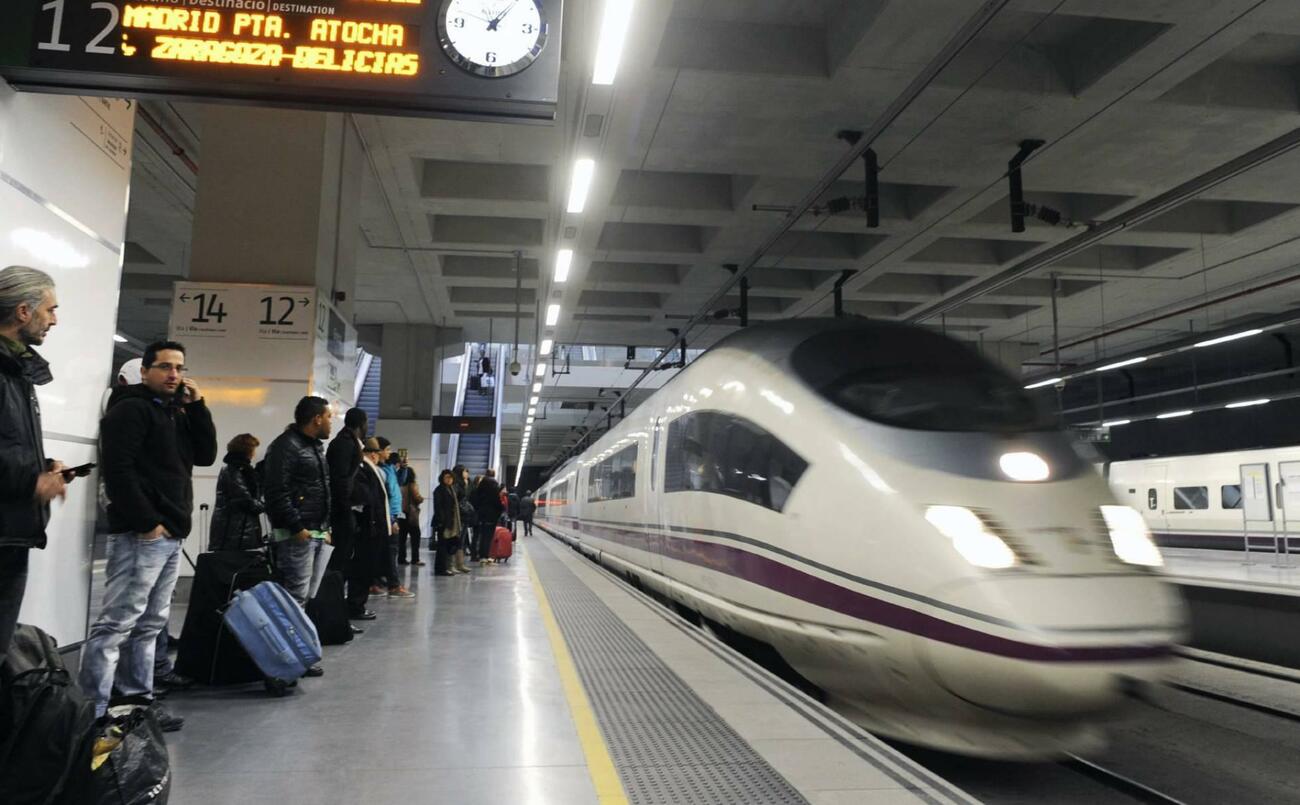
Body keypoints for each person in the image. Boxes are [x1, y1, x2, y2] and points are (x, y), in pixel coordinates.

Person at [82, 339, 217, 729]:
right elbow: (119, 472)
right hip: (143, 534)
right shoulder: (130, 411)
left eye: (179, 367)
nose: (174, 374)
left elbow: (206, 454)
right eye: (164, 367)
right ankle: (93, 709)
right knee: (118, 622)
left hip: (170, 532)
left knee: (151, 623)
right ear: (144, 371)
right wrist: (146, 522)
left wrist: (198, 406)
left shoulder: (175, 412)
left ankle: (137, 700)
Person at [0, 266, 68, 665]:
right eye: (50, 309)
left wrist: (43, 467)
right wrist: (32, 481)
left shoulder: (17, 371)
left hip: (11, 531)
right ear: (23, 311)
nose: (54, 319)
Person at [263, 397, 333, 648]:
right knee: (294, 598)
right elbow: (276, 492)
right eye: (328, 417)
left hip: (315, 532)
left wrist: (324, 527)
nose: (330, 422)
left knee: (303, 596)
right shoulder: (286, 447)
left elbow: (319, 489)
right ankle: (288, 653)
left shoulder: (313, 446)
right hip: (297, 536)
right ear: (317, 418)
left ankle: (298, 650)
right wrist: (297, 528)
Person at [327, 407, 374, 623]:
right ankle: (337, 614)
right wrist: (347, 508)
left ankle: (342, 612)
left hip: (351, 513)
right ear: (361, 423)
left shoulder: (348, 443)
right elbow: (341, 480)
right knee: (341, 565)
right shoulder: (345, 444)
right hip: (345, 514)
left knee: (348, 563)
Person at [363, 439, 413, 598]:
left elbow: (400, 481)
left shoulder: (389, 468)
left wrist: (403, 467)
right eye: (386, 449)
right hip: (387, 515)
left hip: (393, 513)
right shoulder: (379, 471)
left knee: (387, 550)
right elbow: (383, 496)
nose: (389, 452)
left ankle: (378, 582)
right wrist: (390, 518)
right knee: (389, 550)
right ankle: (391, 584)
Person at [208, 434, 265, 552]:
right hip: (235, 532)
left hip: (239, 530)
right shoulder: (233, 470)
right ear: (248, 450)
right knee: (235, 565)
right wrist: (265, 506)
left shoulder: (242, 470)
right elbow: (245, 500)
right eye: (254, 449)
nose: (254, 453)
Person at [431, 469, 464, 576]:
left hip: (452, 522)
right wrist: (442, 521)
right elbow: (438, 507)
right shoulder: (439, 490)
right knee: (442, 547)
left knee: (448, 545)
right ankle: (440, 569)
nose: (449, 479)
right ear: (442, 478)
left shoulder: (452, 489)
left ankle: (445, 567)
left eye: (450, 477)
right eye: (446, 477)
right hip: (444, 522)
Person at [394, 455, 424, 566]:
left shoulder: (399, 485)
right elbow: (417, 498)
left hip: (401, 513)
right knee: (415, 537)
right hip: (411, 514)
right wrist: (421, 499)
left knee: (402, 537)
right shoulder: (413, 485)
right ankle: (415, 559)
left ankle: (401, 558)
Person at [471, 469, 503, 565]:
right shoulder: (494, 485)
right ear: (494, 475)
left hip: (482, 514)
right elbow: (496, 501)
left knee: (482, 535)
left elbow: (476, 500)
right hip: (491, 515)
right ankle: (485, 557)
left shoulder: (480, 486)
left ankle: (481, 556)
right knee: (488, 537)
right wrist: (500, 510)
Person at [451, 464, 474, 570]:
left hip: (464, 515)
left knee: (462, 540)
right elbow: (456, 500)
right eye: (465, 471)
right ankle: (452, 564)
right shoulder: (456, 484)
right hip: (458, 515)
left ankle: (460, 564)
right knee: (456, 539)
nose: (467, 473)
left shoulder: (466, 483)